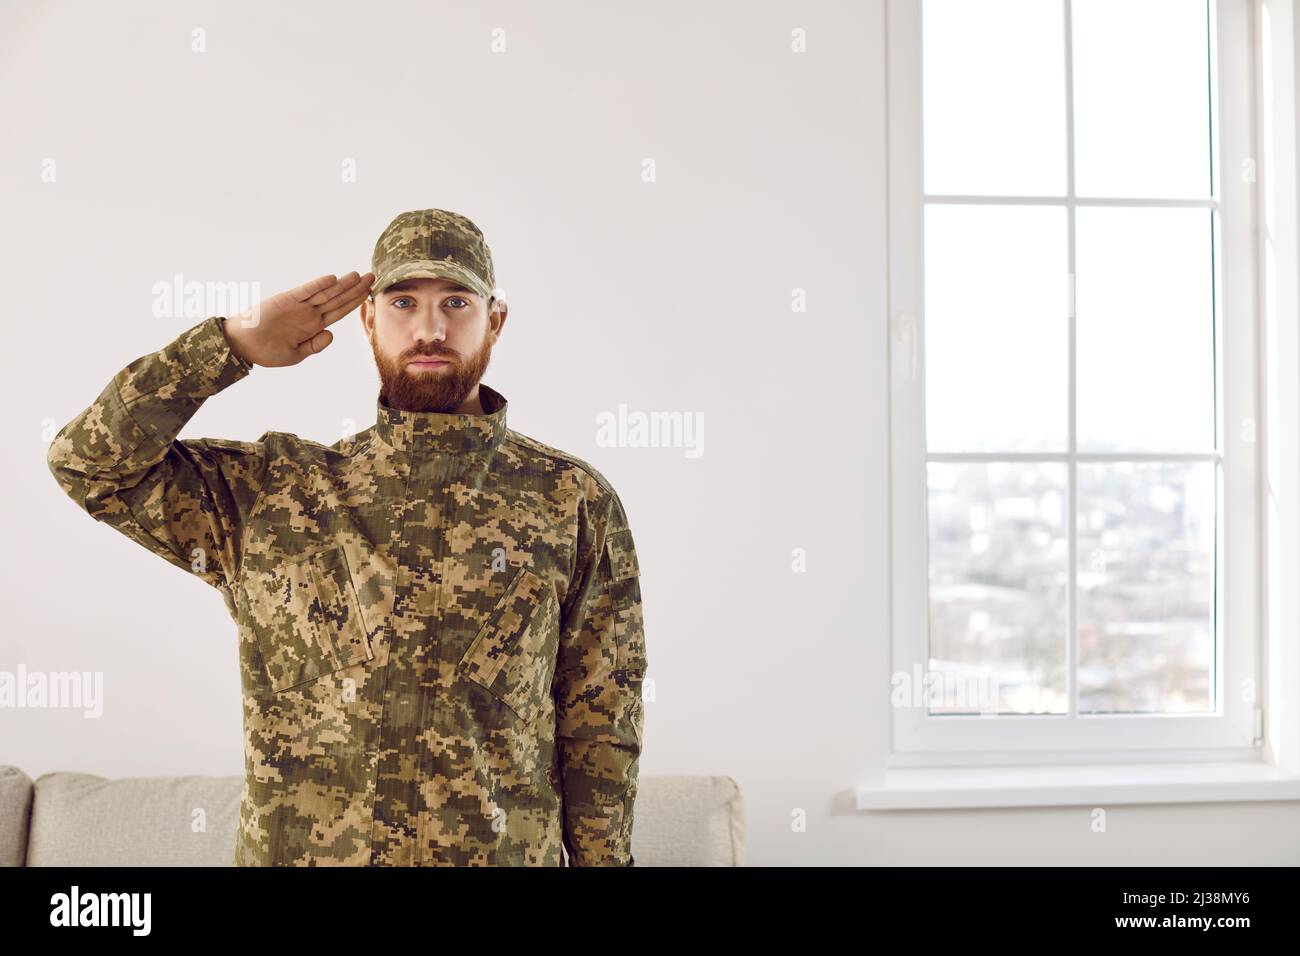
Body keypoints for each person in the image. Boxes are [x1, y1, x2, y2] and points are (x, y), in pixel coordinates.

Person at [46, 208, 647, 866]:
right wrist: (231, 345)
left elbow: (601, 720)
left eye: (455, 301)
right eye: (401, 302)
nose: (429, 328)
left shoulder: (570, 499)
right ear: (366, 319)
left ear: (494, 320)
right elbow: (88, 464)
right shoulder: (274, 493)